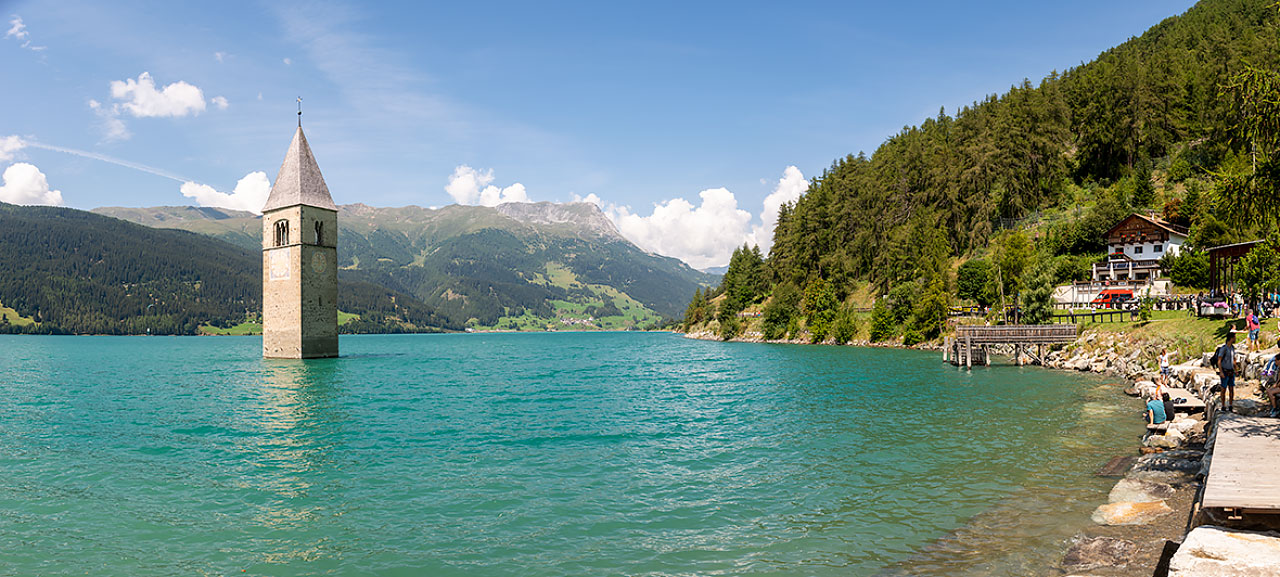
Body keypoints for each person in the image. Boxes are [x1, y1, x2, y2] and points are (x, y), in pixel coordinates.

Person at [1213, 333, 1238, 412]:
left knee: (1231, 388)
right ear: (1231, 338)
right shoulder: (1224, 348)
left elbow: (1233, 360)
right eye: (1234, 337)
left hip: (1231, 371)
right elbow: (1219, 361)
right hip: (1225, 371)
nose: (1235, 339)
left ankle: (1230, 405)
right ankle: (1223, 405)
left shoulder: (1233, 348)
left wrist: (1236, 369)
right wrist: (1221, 372)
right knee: (1223, 389)